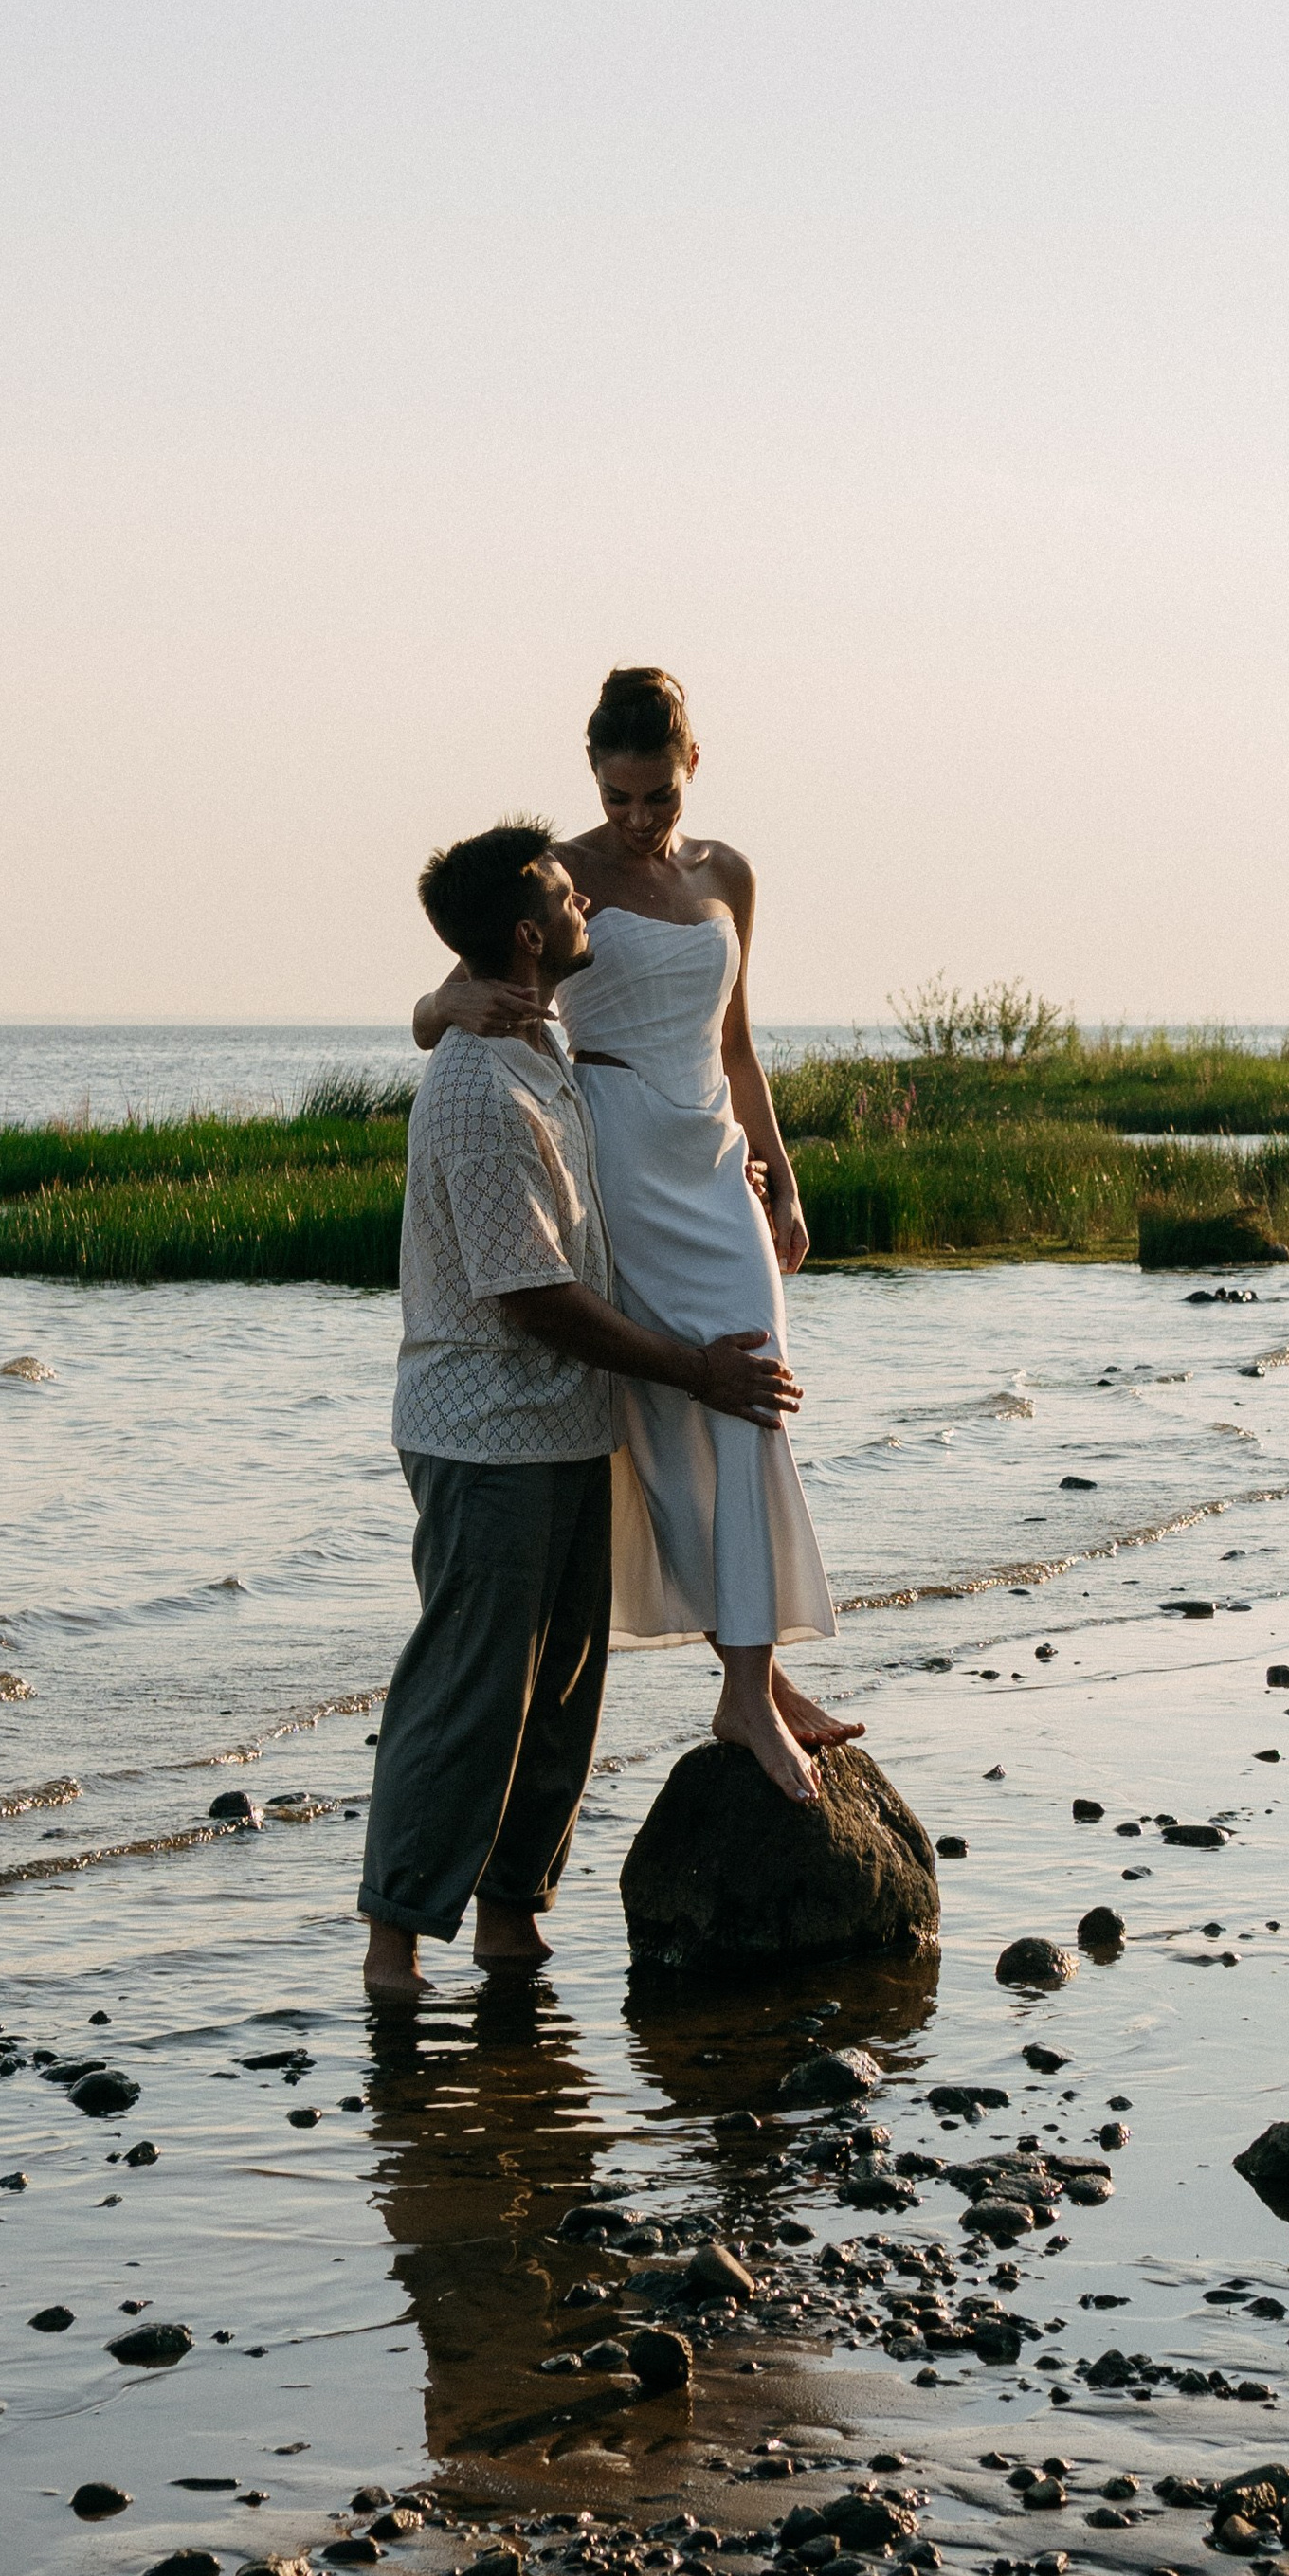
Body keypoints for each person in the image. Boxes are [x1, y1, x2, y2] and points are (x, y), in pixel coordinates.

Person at [365, 819, 800, 2002]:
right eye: (566, 895)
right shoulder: (475, 1083)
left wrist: (735, 1170)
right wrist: (692, 1370)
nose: (587, 906)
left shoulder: (542, 1044)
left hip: (563, 1424)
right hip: (483, 1429)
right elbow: (534, 1300)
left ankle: (512, 1921)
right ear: (526, 935)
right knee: (469, 1687)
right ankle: (395, 1944)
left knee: (561, 1692)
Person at [412, 668, 855, 1809]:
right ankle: (746, 1685)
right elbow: (435, 1009)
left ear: (688, 770)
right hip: (611, 1153)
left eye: (655, 798)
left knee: (758, 1406)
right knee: (669, 1421)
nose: (637, 820)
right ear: (594, 777)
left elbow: (739, 1041)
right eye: (618, 798)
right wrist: (449, 1008)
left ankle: (755, 1679)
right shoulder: (560, 878)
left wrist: (785, 1180)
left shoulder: (729, 875)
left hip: (714, 1160)